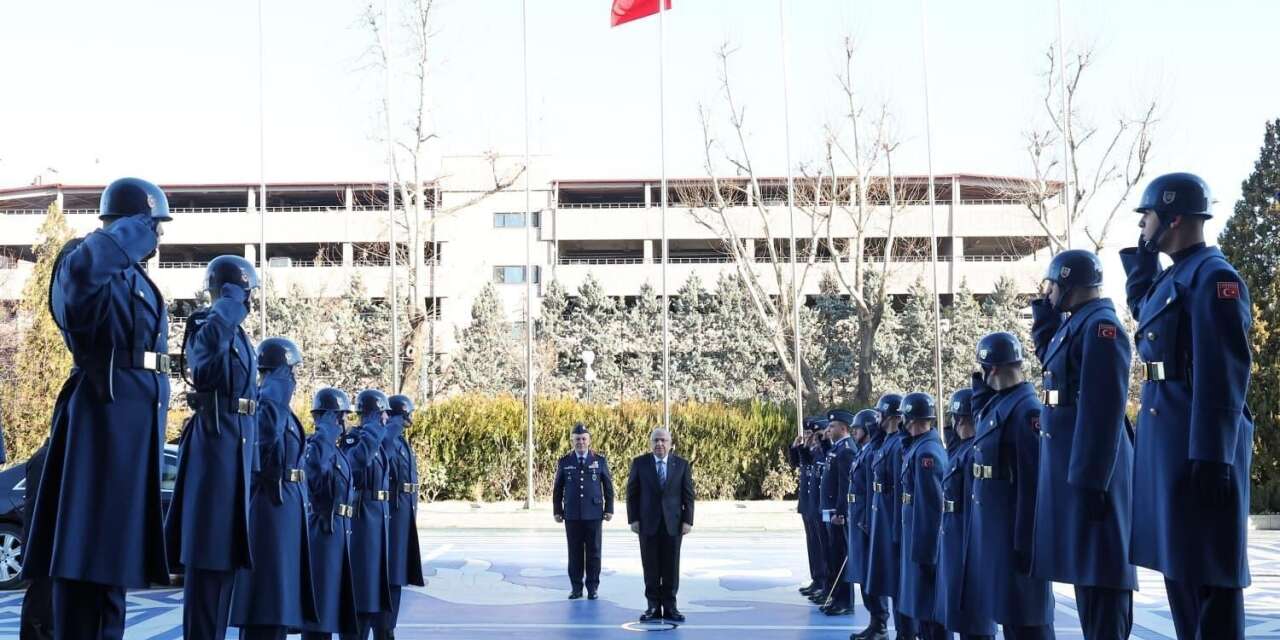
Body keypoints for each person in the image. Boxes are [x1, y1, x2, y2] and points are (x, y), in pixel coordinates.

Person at [22, 177, 173, 639]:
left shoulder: (134, 277)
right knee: (86, 565)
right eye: (152, 225)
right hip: (100, 423)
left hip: (131, 428)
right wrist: (127, 232)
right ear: (128, 222)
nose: (157, 235)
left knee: (113, 570)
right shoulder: (84, 256)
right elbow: (82, 284)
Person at [1122, 172, 1254, 639]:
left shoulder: (1214, 278)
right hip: (1173, 442)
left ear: (1173, 218)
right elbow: (1146, 314)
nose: (1142, 226)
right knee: (1183, 575)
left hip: (1198, 449)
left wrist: (1214, 455)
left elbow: (1223, 373)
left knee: (1210, 587)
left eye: (1148, 217)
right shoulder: (1176, 275)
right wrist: (1140, 265)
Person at [1031, 249, 1136, 639]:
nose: (1048, 292)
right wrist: (1045, 318)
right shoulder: (1078, 324)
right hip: (1079, 471)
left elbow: (1102, 409)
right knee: (1088, 575)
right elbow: (1054, 363)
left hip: (1096, 474)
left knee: (1103, 577)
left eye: (1052, 285)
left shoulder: (1101, 327)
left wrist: (1092, 479)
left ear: (1069, 284)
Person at [166, 253, 260, 640]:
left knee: (225, 565)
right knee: (208, 563)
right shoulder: (210, 323)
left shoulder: (238, 334)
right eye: (245, 292)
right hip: (214, 448)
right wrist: (224, 308)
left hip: (236, 450)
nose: (249, 300)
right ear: (228, 291)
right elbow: (201, 370)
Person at [970, 332, 1055, 639]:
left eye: (983, 370)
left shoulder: (1027, 410)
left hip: (1015, 533)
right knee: (1010, 617)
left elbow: (1033, 483)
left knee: (1027, 621)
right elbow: (984, 421)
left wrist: (1027, 541)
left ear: (992, 370)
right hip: (998, 531)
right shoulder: (1002, 403)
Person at [231, 337, 318, 639]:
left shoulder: (280, 407)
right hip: (268, 511)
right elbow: (264, 438)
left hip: (285, 513)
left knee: (280, 604)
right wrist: (275, 393)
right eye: (290, 371)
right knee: (267, 601)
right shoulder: (264, 403)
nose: (293, 378)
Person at [935, 389, 996, 640]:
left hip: (966, 539)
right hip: (954, 536)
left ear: (962, 419)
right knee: (961, 613)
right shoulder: (962, 450)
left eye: (956, 419)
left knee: (973, 614)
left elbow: (975, 504)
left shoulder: (973, 454)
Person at [301, 388, 360, 640]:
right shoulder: (315, 447)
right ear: (327, 418)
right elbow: (316, 474)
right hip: (322, 533)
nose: (342, 423)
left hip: (339, 533)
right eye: (338, 417)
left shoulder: (336, 450)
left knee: (332, 606)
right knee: (320, 609)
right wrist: (324, 434)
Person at [626, 427, 695, 624]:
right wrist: (634, 519)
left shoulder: (681, 465)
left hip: (673, 525)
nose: (660, 444)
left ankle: (671, 607)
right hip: (647, 524)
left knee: (671, 567)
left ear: (670, 444)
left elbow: (688, 495)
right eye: (656, 440)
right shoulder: (640, 463)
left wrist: (688, 520)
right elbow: (632, 494)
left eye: (663, 440)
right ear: (650, 443)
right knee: (651, 567)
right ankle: (653, 607)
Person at [340, 390, 394, 640]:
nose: (386, 418)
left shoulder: (377, 440)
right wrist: (372, 432)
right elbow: (355, 465)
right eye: (382, 412)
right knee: (362, 590)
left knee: (374, 589)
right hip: (361, 521)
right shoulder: (354, 438)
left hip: (376, 521)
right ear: (372, 413)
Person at [897, 392, 948, 640]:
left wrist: (927, 553)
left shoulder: (927, 452)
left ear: (909, 418)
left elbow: (930, 506)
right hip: (914, 535)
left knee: (929, 607)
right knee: (921, 605)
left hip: (924, 542)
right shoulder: (918, 446)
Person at [865, 393, 916, 639]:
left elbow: (899, 488)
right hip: (882, 518)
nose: (876, 419)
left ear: (890, 416)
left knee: (898, 582)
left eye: (879, 414)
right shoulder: (887, 441)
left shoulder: (897, 445)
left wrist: (896, 529)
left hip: (891, 520)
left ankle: (905, 632)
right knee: (890, 580)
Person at [377, 394, 426, 639]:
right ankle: (384, 629)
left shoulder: (401, 443)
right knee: (389, 575)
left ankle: (389, 627)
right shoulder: (389, 439)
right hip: (392, 515)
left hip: (403, 514)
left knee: (396, 575)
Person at [553, 423, 615, 601]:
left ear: (589, 440)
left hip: (594, 514)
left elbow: (608, 487)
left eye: (583, 438)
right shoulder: (565, 461)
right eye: (577, 439)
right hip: (572, 514)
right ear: (572, 441)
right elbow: (558, 488)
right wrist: (557, 510)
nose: (580, 442)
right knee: (574, 552)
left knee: (594, 552)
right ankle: (576, 588)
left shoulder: (599, 461)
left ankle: (593, 588)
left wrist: (609, 508)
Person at [849, 408, 891, 640]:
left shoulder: (872, 451)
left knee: (871, 574)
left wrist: (866, 519)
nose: (854, 432)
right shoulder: (863, 451)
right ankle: (874, 622)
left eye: (857, 428)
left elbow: (869, 489)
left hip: (865, 520)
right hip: (858, 518)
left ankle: (880, 624)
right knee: (864, 574)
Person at [817, 410, 856, 616]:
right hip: (829, 510)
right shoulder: (837, 448)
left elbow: (845, 484)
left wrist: (841, 512)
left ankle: (844, 601)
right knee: (833, 555)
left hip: (837, 512)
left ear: (843, 428)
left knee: (840, 555)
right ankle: (836, 596)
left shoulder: (847, 450)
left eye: (832, 427)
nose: (828, 430)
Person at [20, 438, 53, 640]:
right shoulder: (45, 458)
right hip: (45, 548)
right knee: (42, 610)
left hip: (46, 547)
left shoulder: (49, 456)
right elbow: (37, 513)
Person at [792, 418, 827, 599]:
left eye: (811, 434)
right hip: (808, 502)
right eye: (806, 433)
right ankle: (817, 578)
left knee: (822, 546)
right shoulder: (812, 450)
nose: (808, 437)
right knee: (812, 544)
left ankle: (823, 581)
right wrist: (798, 447)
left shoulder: (823, 452)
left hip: (818, 504)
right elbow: (798, 463)